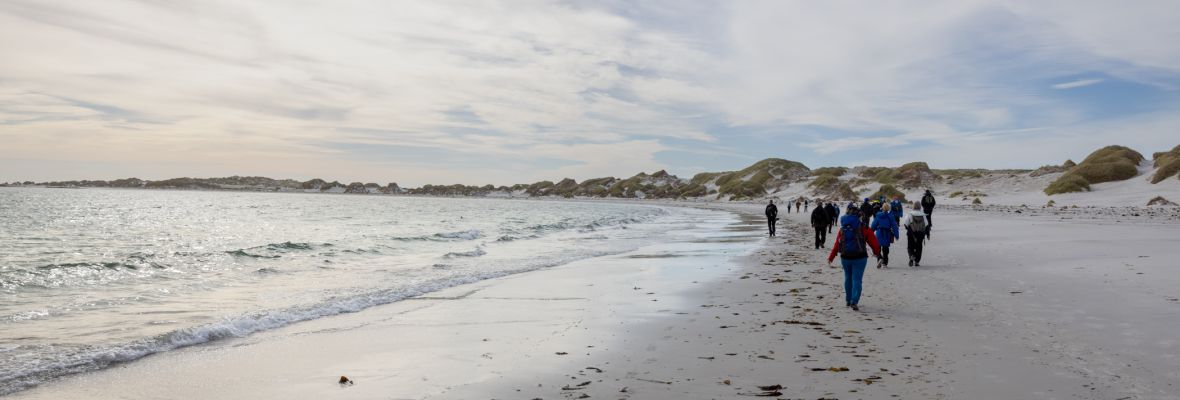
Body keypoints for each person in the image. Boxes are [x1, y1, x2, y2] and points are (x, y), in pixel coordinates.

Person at [828, 205, 882, 311]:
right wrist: (877, 253)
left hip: (845, 257)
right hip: (860, 257)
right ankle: (854, 301)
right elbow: (873, 242)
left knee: (848, 278)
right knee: (857, 279)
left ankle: (848, 300)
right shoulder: (863, 227)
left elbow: (837, 244)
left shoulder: (843, 228)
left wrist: (831, 257)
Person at [871, 202, 899, 268]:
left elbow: (873, 225)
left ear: (882, 208)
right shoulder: (890, 216)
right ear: (889, 208)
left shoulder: (878, 215)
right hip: (887, 234)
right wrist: (896, 235)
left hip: (879, 233)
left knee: (878, 247)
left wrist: (871, 232)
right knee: (885, 249)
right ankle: (885, 263)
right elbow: (894, 226)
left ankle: (879, 258)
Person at [900, 201, 928, 267]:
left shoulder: (910, 214)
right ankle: (917, 261)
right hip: (920, 233)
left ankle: (911, 256)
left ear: (913, 206)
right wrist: (926, 233)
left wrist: (909, 229)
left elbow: (906, 224)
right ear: (920, 206)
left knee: (910, 246)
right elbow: (926, 224)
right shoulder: (923, 215)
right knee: (919, 247)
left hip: (911, 233)